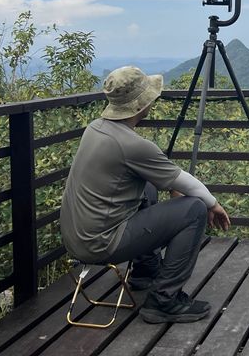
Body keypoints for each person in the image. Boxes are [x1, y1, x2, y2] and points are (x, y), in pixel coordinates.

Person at [60, 66, 230, 324]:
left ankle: (145, 270)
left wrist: (171, 184)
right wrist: (214, 205)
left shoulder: (96, 128)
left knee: (148, 185)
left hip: (77, 239)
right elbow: (190, 185)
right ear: (142, 104)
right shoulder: (132, 145)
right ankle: (164, 301)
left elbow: (163, 177)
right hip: (102, 244)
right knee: (195, 209)